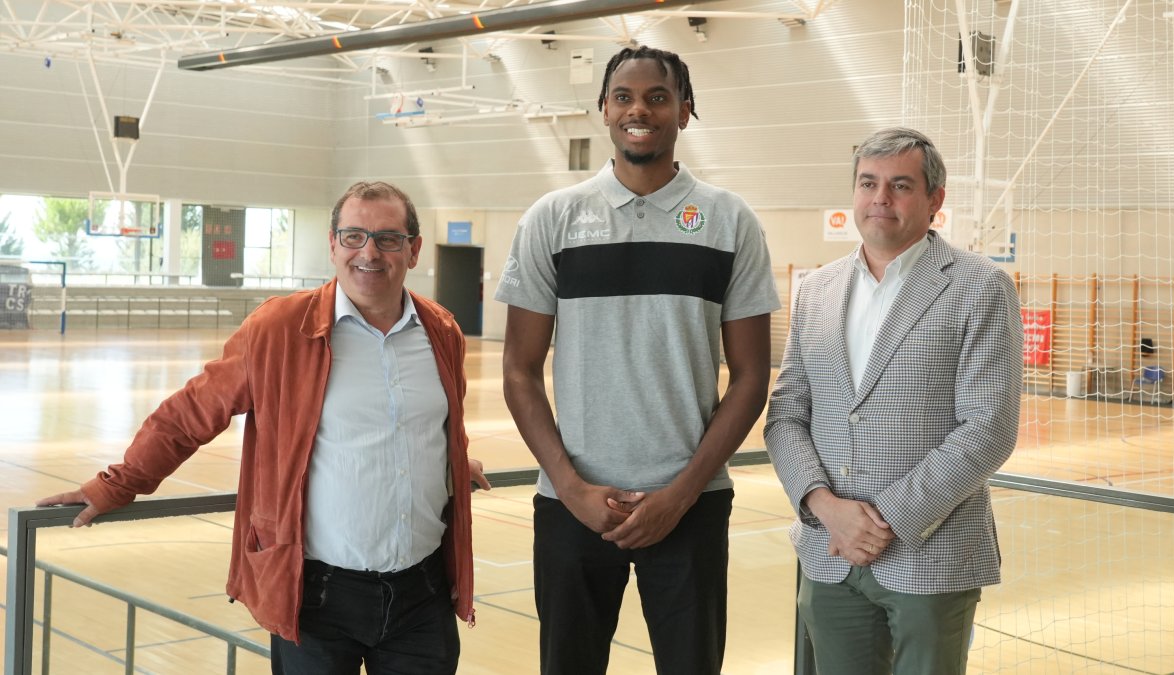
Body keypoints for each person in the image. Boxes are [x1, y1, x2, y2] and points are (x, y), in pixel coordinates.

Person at [38, 181, 490, 675]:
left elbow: (426, 421)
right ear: (333, 244)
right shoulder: (279, 329)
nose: (370, 252)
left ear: (413, 249)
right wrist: (117, 484)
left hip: (421, 595)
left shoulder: (441, 332)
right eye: (355, 236)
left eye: (387, 238)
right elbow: (190, 413)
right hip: (315, 594)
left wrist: (444, 461)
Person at [496, 45, 780, 675]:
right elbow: (519, 370)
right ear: (603, 109)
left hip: (691, 505)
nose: (639, 109)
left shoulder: (729, 221)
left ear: (685, 109)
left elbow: (752, 376)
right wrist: (569, 486)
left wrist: (680, 495)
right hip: (574, 505)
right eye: (623, 96)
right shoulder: (554, 219)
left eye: (658, 95)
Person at [764, 127, 1023, 674]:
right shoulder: (816, 289)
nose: (880, 198)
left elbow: (989, 428)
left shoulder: (980, 287)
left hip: (930, 557)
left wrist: (883, 520)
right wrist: (826, 509)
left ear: (935, 201)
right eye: (868, 183)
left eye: (900, 185)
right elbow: (786, 416)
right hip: (828, 552)